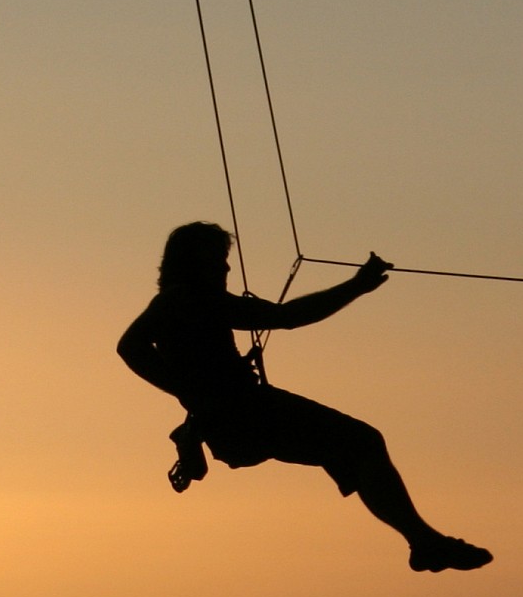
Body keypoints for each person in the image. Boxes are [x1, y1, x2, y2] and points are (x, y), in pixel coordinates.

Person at [117, 221, 492, 572]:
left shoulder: (180, 302)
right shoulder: (190, 300)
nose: (226, 270)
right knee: (362, 442)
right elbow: (289, 316)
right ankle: (424, 542)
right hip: (245, 413)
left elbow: (133, 347)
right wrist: (356, 286)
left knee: (357, 445)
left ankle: (424, 541)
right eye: (218, 261)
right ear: (195, 264)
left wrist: (192, 392)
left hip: (237, 414)